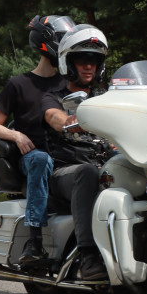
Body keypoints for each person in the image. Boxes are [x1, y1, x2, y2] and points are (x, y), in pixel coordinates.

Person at [0, 15, 77, 266]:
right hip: (32, 157)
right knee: (40, 158)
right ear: (46, 44)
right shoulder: (18, 84)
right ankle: (34, 241)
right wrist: (16, 134)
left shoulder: (68, 83)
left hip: (68, 154)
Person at [41, 26, 111, 280]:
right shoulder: (54, 96)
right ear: (68, 63)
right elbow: (54, 117)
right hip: (64, 173)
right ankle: (88, 255)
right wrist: (74, 120)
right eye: (82, 60)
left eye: (94, 60)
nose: (88, 66)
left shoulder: (108, 97)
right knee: (87, 172)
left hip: (104, 165)